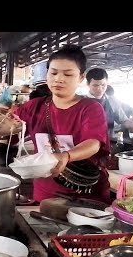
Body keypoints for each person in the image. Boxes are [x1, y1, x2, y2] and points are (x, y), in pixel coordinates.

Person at [15, 45, 111, 204]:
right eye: (53, 73)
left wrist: (66, 156)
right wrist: (2, 126)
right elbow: (11, 128)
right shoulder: (33, 107)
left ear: (81, 78)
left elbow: (93, 143)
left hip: (86, 195)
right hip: (46, 193)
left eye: (68, 74)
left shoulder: (90, 108)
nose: (58, 78)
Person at [85, 68, 133, 137]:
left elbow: (124, 121)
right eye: (95, 85)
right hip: (86, 143)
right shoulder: (81, 101)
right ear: (88, 84)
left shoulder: (112, 100)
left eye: (103, 85)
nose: (100, 89)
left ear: (107, 83)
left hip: (109, 141)